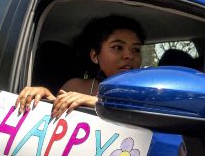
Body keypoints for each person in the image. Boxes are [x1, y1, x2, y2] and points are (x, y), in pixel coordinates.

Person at [16, 14, 146, 119]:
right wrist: (45, 96)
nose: (129, 55)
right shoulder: (75, 86)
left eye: (136, 49)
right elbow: (57, 110)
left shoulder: (147, 89)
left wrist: (96, 102)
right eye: (118, 47)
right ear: (95, 56)